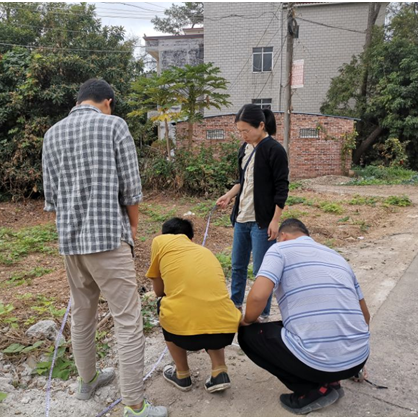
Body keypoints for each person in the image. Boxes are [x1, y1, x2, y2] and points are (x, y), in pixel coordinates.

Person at [42, 78, 167, 417]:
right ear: (107, 101)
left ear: (78, 100)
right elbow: (131, 188)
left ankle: (88, 381)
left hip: (70, 243)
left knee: (82, 312)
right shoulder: (114, 126)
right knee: (127, 318)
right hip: (109, 239)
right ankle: (134, 405)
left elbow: (51, 200)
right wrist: (133, 228)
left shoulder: (52, 134)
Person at [238, 219, 371, 415]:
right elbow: (365, 316)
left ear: (283, 236)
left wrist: (247, 321)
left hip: (320, 364)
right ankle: (333, 379)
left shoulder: (279, 250)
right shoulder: (337, 256)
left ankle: (313, 390)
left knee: (248, 334)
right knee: (293, 326)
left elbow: (258, 297)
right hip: (358, 359)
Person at [146, 218, 242, 393]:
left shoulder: (160, 242)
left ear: (164, 234)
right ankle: (219, 371)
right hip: (225, 331)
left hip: (183, 336)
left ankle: (182, 374)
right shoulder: (205, 252)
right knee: (209, 304)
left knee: (163, 303)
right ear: (190, 238)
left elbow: (159, 291)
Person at [216, 104, 289, 321]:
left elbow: (281, 188)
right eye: (240, 131)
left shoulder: (275, 150)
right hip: (242, 218)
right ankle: (235, 306)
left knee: (261, 271)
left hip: (262, 221)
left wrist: (275, 220)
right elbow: (243, 181)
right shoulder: (245, 149)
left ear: (261, 125)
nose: (243, 135)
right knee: (237, 266)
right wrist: (229, 195)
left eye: (246, 131)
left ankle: (261, 314)